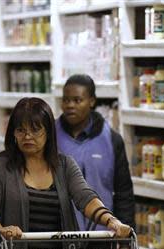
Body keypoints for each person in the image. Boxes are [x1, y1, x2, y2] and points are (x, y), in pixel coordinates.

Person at [0, 97, 132, 249]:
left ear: (49, 132)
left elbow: (85, 197)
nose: (27, 136)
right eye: (20, 130)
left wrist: (111, 221)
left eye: (35, 130)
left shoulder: (64, 165)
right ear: (12, 133)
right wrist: (2, 230)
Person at [56, 74, 135, 231]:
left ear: (91, 101)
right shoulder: (49, 137)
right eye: (66, 100)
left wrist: (126, 234)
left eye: (77, 100)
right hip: (59, 235)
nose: (70, 105)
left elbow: (123, 193)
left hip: (102, 234)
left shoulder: (112, 140)